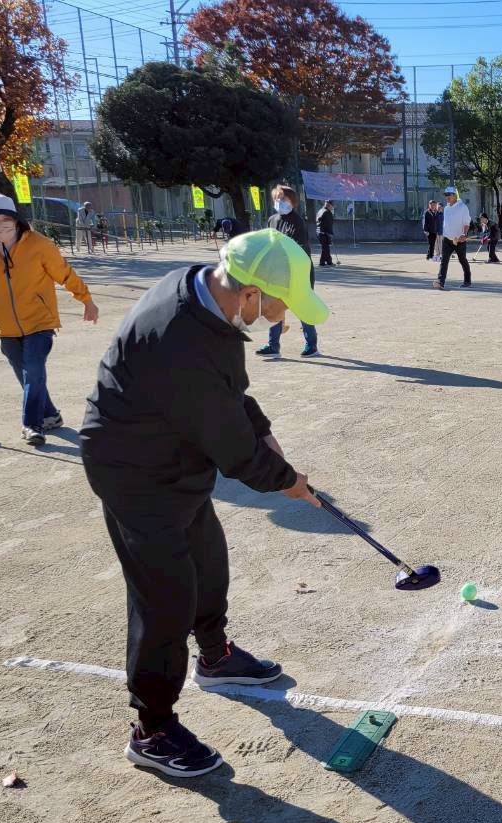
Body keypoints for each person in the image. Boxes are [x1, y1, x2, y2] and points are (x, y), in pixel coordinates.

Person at [79, 229, 329, 778]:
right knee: (164, 594)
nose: (279, 316)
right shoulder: (179, 340)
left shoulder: (205, 300)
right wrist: (286, 479)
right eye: (278, 305)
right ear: (248, 294)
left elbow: (235, 397)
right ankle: (152, 727)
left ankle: (214, 657)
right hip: (133, 470)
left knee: (208, 559)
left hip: (175, 455)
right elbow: (236, 453)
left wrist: (267, 436)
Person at [0, 193, 99, 447]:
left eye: (6, 218)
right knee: (27, 376)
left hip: (40, 321)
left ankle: (31, 424)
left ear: (16, 220)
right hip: (7, 326)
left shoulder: (39, 244)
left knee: (34, 370)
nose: (0, 223)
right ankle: (51, 415)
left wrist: (86, 300)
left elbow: (65, 274)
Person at [257, 184, 320, 358]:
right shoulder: (272, 220)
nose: (279, 201)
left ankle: (312, 345)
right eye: (277, 198)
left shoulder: (298, 222)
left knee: (302, 309)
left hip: (298, 273)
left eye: (283, 198)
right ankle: (273, 345)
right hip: (277, 274)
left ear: (292, 201)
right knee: (274, 310)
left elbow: (297, 250)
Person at [433, 186, 472, 290]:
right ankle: (440, 282)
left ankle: (467, 281)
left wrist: (464, 234)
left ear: (454, 195)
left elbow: (466, 223)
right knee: (444, 260)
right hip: (447, 239)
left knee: (462, 259)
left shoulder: (462, 207)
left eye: (449, 195)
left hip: (459, 240)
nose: (447, 197)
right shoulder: (446, 208)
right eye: (446, 195)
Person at [315, 200, 335, 266]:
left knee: (325, 247)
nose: (333, 207)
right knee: (325, 248)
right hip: (324, 232)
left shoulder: (320, 210)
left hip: (319, 232)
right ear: (329, 205)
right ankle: (326, 262)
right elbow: (328, 224)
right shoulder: (327, 212)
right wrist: (330, 234)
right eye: (332, 205)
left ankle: (325, 261)